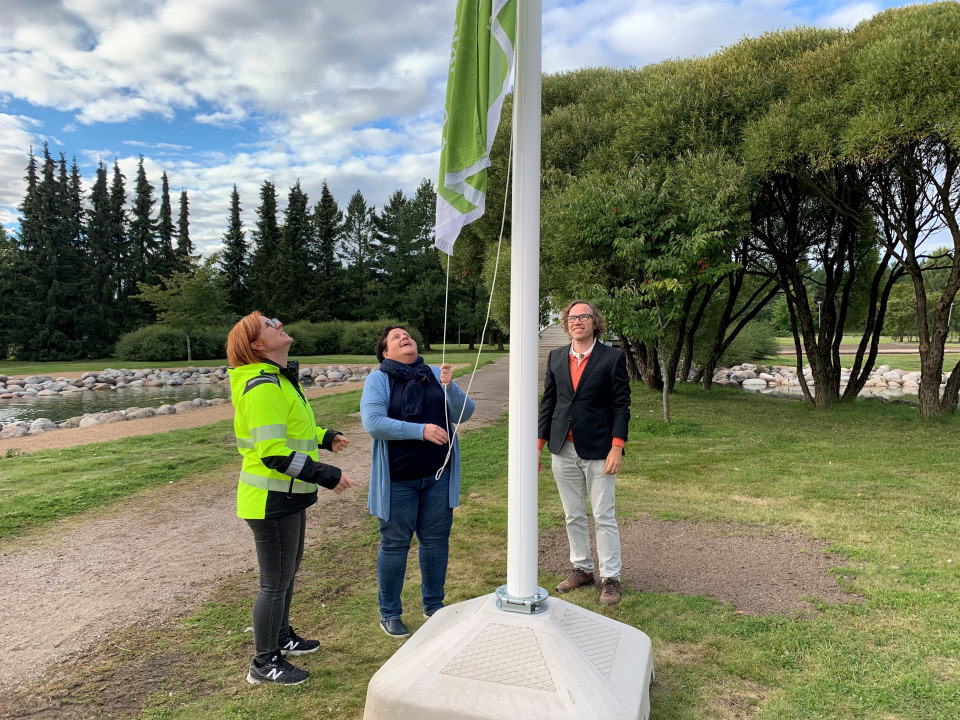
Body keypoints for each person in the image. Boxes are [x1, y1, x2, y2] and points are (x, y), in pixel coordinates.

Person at [227, 312, 358, 686]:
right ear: (257, 345)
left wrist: (325, 436)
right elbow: (273, 453)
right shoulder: (262, 386)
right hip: (269, 500)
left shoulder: (278, 381)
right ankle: (264, 662)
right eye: (269, 324)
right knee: (274, 581)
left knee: (286, 576)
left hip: (288, 496)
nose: (278, 324)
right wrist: (329, 475)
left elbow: (293, 430)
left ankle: (281, 638)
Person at [360, 326, 475, 638]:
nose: (404, 337)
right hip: (398, 480)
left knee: (436, 542)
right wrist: (420, 430)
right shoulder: (379, 379)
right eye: (395, 337)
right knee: (395, 544)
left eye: (406, 334)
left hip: (439, 476)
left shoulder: (434, 373)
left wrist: (450, 388)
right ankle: (390, 613)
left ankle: (434, 607)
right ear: (385, 352)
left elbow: (465, 413)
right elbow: (373, 423)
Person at [538, 300, 631, 606]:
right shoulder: (556, 357)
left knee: (604, 515)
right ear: (567, 324)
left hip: (599, 449)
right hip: (561, 448)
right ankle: (582, 568)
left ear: (594, 322)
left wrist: (617, 446)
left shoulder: (612, 357)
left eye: (583, 317)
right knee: (572, 514)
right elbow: (548, 403)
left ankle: (610, 578)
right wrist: (538, 446)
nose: (577, 322)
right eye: (572, 318)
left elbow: (621, 405)